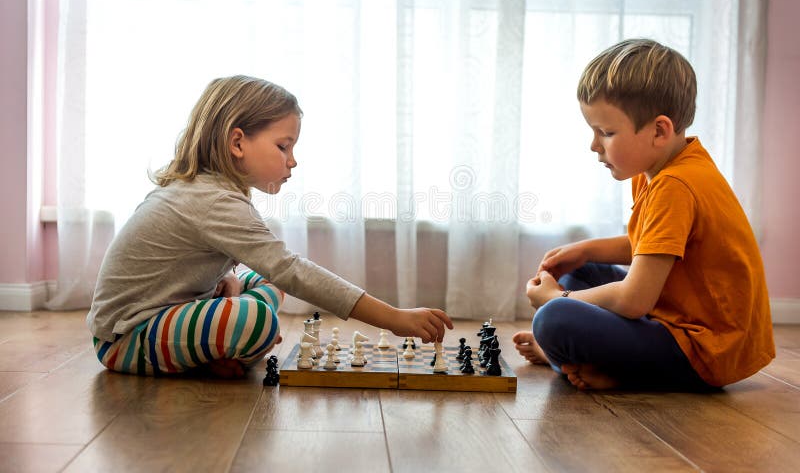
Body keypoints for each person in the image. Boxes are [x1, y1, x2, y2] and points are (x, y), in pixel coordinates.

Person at [87, 75, 453, 378]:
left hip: (169, 310)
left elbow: (177, 271)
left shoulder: (210, 191)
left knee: (265, 282)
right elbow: (295, 271)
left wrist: (220, 286)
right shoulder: (212, 201)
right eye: (283, 146)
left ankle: (217, 343)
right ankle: (223, 342)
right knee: (258, 319)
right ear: (237, 142)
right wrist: (393, 318)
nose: (292, 161)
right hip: (127, 336)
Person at [513, 39, 775, 391]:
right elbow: (654, 244)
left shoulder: (676, 186)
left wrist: (555, 299)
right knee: (581, 271)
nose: (594, 145)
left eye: (606, 133)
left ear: (659, 131)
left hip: (704, 351)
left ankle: (573, 360)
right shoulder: (659, 169)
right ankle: (590, 360)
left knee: (553, 319)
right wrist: (587, 250)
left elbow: (634, 300)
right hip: (674, 325)